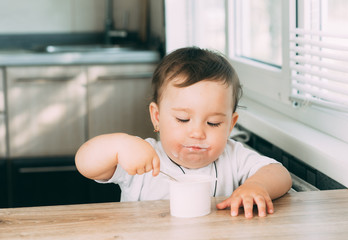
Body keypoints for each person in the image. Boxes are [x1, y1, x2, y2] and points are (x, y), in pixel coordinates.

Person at [75, 47, 292, 219]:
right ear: (157, 117)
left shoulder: (233, 157)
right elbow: (85, 164)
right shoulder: (143, 157)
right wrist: (119, 145)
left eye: (214, 123)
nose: (197, 133)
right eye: (183, 119)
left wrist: (257, 186)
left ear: (230, 125)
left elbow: (280, 174)